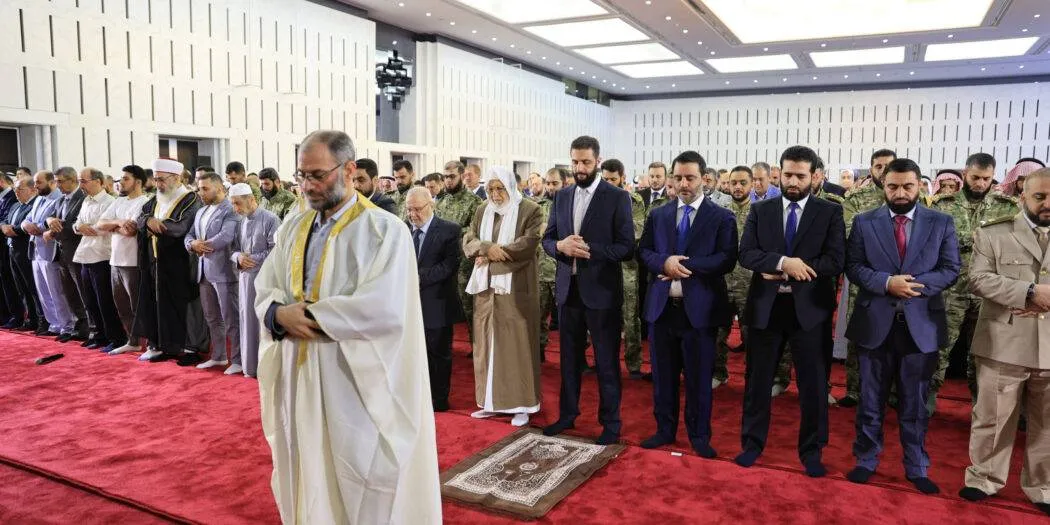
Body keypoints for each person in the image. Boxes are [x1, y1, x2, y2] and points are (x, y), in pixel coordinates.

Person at [255, 130, 440, 523]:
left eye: (318, 175)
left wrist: (306, 318)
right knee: (304, 468)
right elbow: (266, 285)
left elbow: (384, 307)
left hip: (353, 380)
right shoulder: (293, 226)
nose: (308, 186)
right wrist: (276, 315)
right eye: (302, 175)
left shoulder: (384, 230)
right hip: (298, 373)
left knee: (360, 478)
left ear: (349, 169)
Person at [843, 158, 960, 494]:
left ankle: (916, 465)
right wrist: (886, 283)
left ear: (919, 185)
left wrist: (911, 285)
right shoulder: (864, 222)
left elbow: (951, 268)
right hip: (874, 324)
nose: (900, 193)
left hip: (921, 325)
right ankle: (866, 459)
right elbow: (854, 266)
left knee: (915, 403)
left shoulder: (941, 222)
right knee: (870, 399)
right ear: (884, 185)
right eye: (893, 186)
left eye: (907, 186)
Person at [736, 145, 846, 477]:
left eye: (800, 175)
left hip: (810, 311)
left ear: (815, 176)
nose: (793, 182)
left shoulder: (830, 212)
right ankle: (752, 444)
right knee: (757, 381)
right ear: (778, 174)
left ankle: (812, 450)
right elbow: (746, 254)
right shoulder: (761, 210)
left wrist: (795, 270)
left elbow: (835, 261)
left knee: (813, 385)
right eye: (787, 175)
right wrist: (783, 262)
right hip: (766, 308)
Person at [960, 168, 1050, 516]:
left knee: (1047, 425)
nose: (1047, 203)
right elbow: (978, 279)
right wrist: (1028, 292)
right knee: (993, 418)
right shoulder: (994, 233)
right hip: (1003, 342)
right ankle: (983, 478)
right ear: (1022, 196)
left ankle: (1043, 487)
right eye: (1039, 196)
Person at [638, 150, 737, 457]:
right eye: (678, 177)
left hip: (700, 312)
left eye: (690, 178)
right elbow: (644, 251)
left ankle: (699, 435)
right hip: (662, 310)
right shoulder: (659, 215)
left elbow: (726, 258)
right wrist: (663, 263)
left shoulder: (721, 217)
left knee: (699, 379)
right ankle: (664, 430)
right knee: (663, 378)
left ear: (704, 179)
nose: (683, 184)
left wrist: (681, 265)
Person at [541, 136, 635, 445]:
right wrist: (560, 246)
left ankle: (611, 422)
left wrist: (588, 249)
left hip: (602, 293)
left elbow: (626, 247)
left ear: (598, 161)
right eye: (575, 162)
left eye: (586, 162)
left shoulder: (617, 197)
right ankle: (568, 414)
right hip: (568, 292)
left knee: (606, 362)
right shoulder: (562, 196)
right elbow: (547, 240)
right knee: (568, 360)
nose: (580, 168)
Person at [930, 153, 1018, 406]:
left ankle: (983, 406)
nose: (980, 183)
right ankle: (926, 400)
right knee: (938, 347)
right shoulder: (942, 205)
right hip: (950, 290)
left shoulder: (1008, 207)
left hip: (989, 291)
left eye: (986, 179)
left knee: (983, 353)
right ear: (964, 173)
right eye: (975, 177)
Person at [463, 166, 544, 426]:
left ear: (511, 187)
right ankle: (490, 403)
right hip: (486, 291)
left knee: (516, 347)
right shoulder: (481, 210)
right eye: (490, 189)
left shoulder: (530, 210)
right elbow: (469, 241)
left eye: (500, 189)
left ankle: (522, 405)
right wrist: (487, 248)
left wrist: (489, 257)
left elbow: (527, 245)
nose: (495, 195)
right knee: (486, 347)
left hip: (516, 290)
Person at [838, 148, 899, 407]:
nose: (883, 171)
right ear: (871, 168)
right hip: (864, 276)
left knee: (898, 334)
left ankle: (894, 392)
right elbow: (850, 233)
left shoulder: (909, 196)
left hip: (899, 277)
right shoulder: (855, 198)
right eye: (878, 166)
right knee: (860, 332)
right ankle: (855, 389)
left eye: (888, 166)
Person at [134, 159, 203, 364]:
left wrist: (154, 225)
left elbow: (179, 228)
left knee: (184, 305)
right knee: (158, 303)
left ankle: (189, 347)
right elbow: (139, 218)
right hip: (156, 260)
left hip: (181, 262)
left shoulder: (190, 199)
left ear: (176, 178)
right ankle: (164, 345)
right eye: (156, 180)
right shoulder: (155, 199)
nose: (158, 184)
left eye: (162, 180)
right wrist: (148, 221)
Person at [406, 186, 463, 412]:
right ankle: (415, 398)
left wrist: (414, 277)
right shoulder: (403, 229)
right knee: (412, 355)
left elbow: (449, 266)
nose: (412, 214)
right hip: (408, 306)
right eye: (409, 209)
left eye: (417, 209)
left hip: (437, 304)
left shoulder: (450, 230)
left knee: (438, 355)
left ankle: (439, 401)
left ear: (431, 205)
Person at [186, 173, 242, 374]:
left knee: (231, 319)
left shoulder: (231, 209)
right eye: (199, 188)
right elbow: (189, 235)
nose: (200, 193)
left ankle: (238, 359)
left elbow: (226, 236)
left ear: (219, 188)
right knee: (212, 318)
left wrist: (200, 246)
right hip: (204, 271)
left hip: (225, 271)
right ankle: (219, 356)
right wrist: (192, 244)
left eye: (205, 189)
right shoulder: (201, 211)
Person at [95, 165, 151, 355]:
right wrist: (118, 222)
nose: (121, 182)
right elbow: (100, 224)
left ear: (138, 182)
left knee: (137, 305)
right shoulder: (119, 201)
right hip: (115, 260)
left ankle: (149, 342)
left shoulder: (145, 202)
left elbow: (131, 230)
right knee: (122, 305)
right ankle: (132, 341)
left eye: (126, 179)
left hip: (133, 260)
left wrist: (113, 227)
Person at [71, 168, 126, 354]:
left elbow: (103, 228)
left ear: (98, 181)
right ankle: (99, 335)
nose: (81, 185)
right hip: (85, 254)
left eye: (84, 181)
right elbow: (77, 224)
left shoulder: (110, 201)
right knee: (90, 300)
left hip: (102, 255)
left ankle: (115, 337)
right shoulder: (86, 200)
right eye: (80, 181)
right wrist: (80, 227)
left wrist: (86, 228)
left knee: (105, 301)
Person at [601, 159, 647, 379]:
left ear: (622, 178)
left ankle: (633, 363)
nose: (609, 183)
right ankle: (605, 363)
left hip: (627, 267)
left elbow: (635, 231)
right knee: (603, 318)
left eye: (613, 179)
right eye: (605, 179)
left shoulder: (633, 200)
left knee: (630, 317)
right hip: (601, 266)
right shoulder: (595, 200)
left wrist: (608, 235)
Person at [228, 183, 278, 378]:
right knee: (246, 321)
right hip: (245, 279)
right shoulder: (241, 222)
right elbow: (233, 250)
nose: (235, 209)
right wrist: (238, 258)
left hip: (264, 280)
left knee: (261, 322)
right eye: (233, 204)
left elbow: (277, 250)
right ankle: (249, 367)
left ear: (251, 200)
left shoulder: (271, 219)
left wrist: (252, 259)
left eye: (238, 204)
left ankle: (265, 368)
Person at [715, 166, 754, 388]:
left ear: (752, 184)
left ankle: (753, 378)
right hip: (722, 283)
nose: (737, 187)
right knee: (717, 333)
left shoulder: (760, 213)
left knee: (751, 335)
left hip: (749, 285)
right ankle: (718, 373)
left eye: (742, 183)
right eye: (733, 183)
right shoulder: (719, 212)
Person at [436, 160, 483, 347]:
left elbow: (475, 231)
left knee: (469, 306)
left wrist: (449, 233)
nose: (448, 181)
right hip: (443, 261)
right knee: (443, 305)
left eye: (452, 177)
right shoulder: (441, 201)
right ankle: (444, 344)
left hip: (465, 263)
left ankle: (477, 347)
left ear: (462, 176)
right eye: (445, 177)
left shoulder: (475, 202)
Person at [25, 170, 76, 338]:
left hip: (51, 249)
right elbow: (28, 219)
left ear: (51, 182)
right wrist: (26, 225)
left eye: (39, 182)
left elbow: (54, 222)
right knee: (43, 291)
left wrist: (38, 227)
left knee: (57, 291)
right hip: (36, 249)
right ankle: (54, 324)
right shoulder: (39, 199)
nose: (35, 186)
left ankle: (67, 325)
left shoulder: (57, 199)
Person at [45, 167, 92, 342]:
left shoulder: (83, 198)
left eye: (60, 181)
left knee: (82, 291)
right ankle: (78, 326)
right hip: (61, 252)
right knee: (69, 292)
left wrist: (54, 230)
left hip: (77, 250)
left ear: (72, 180)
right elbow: (49, 217)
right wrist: (50, 221)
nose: (57, 185)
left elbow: (76, 225)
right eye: (56, 181)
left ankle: (90, 328)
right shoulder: (60, 200)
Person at [2, 177, 44, 331]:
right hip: (12, 249)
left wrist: (14, 230)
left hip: (26, 249)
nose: (16, 192)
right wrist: (4, 227)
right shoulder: (15, 205)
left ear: (32, 190)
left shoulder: (34, 205)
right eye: (15, 189)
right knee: (20, 287)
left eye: (20, 189)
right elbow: (4, 220)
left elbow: (29, 226)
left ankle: (40, 319)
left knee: (31, 286)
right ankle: (30, 319)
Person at [536, 168, 566, 357]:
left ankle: (575, 356)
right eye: (547, 183)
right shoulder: (536, 206)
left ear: (564, 183)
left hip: (563, 269)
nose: (550, 187)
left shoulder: (570, 205)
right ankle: (538, 352)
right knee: (537, 316)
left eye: (555, 183)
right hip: (540, 270)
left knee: (569, 319)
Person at [0, 174, 24, 327]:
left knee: (12, 283)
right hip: (6, 246)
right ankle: (6, 315)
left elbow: (7, 222)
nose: (17, 191)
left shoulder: (12, 198)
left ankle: (17, 315)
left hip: (11, 245)